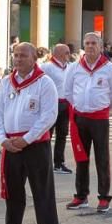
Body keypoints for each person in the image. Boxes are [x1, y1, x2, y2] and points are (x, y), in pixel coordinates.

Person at [0, 43, 61, 224]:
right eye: (16, 55)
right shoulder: (6, 83)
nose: (18, 59)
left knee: (42, 191)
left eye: (23, 55)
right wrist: (2, 139)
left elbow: (49, 116)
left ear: (33, 58)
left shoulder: (44, 83)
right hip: (11, 145)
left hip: (35, 145)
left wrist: (27, 139)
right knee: (13, 191)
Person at [64, 32, 112, 212]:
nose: (90, 46)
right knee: (81, 158)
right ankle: (81, 196)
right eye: (87, 43)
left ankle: (104, 197)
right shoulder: (74, 68)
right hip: (80, 118)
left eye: (93, 43)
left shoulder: (110, 69)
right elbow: (68, 92)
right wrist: (80, 106)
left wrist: (104, 108)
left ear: (100, 47)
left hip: (99, 119)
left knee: (102, 158)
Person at [40, 43, 73, 175]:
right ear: (59, 53)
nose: (69, 55)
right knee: (47, 134)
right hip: (52, 104)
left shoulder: (69, 67)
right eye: (66, 52)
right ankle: (44, 162)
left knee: (63, 134)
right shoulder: (47, 67)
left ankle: (59, 163)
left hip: (66, 104)